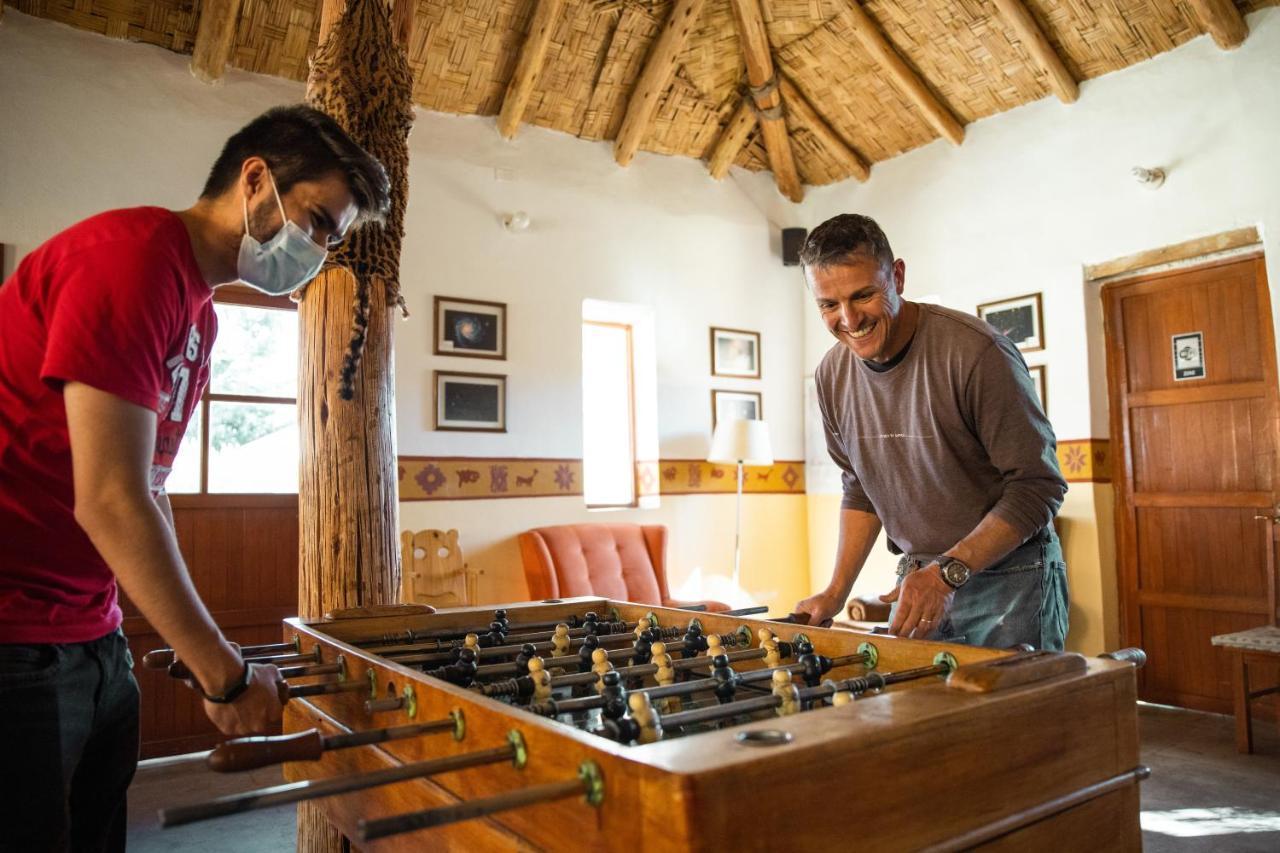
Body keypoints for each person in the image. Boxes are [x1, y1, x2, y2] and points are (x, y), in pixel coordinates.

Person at [0, 104, 390, 851]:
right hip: (14, 637)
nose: (315, 251)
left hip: (93, 629)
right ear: (256, 180)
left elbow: (149, 484)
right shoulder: (129, 258)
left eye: (330, 241)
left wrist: (200, 640)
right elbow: (109, 500)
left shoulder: (201, 315)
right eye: (315, 222)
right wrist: (227, 675)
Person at [792, 214, 1069, 651]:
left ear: (897, 276)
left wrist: (945, 575)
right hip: (919, 577)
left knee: (1008, 720)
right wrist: (836, 591)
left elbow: (1038, 487)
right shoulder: (831, 374)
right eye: (828, 304)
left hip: (1012, 579)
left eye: (864, 295)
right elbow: (861, 487)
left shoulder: (978, 353)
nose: (848, 319)